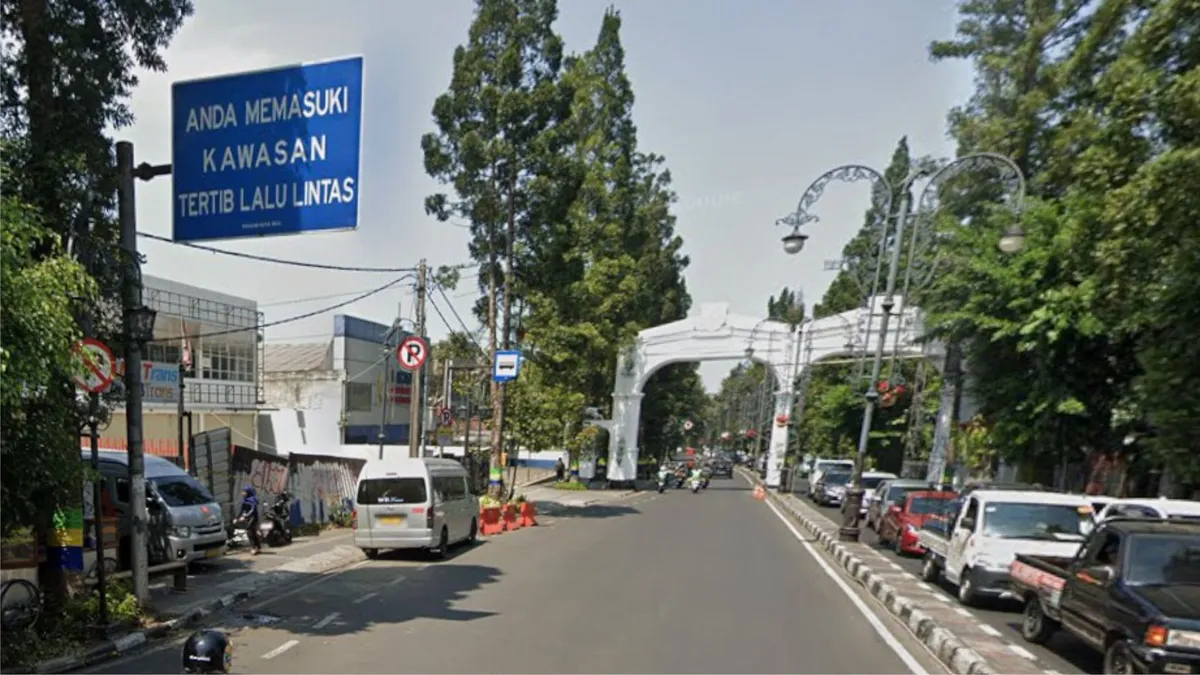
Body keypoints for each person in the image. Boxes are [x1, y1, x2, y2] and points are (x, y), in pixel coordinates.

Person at [238, 485, 262, 555]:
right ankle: (258, 547)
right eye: (243, 492)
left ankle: (254, 548)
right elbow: (241, 510)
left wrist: (246, 516)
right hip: (248, 518)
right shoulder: (244, 500)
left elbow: (253, 509)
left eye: (244, 492)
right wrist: (237, 518)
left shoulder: (252, 499)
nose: (243, 493)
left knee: (250, 532)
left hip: (253, 517)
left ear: (248, 492)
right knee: (253, 532)